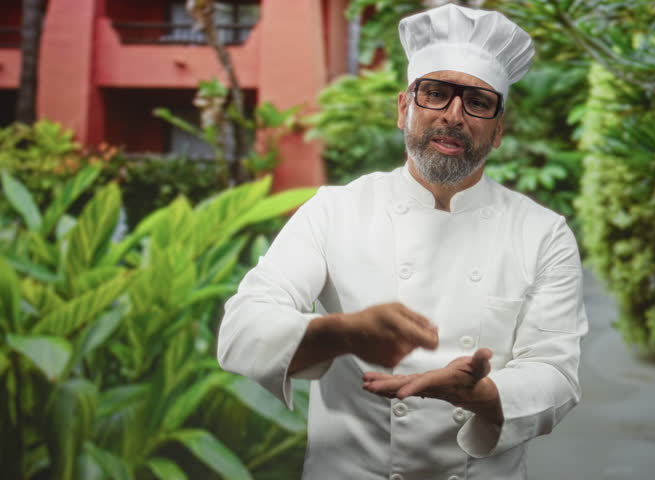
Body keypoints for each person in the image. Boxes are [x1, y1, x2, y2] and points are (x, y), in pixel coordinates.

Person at [217, 4, 589, 479]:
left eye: (477, 102)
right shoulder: (335, 211)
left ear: (498, 131)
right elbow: (242, 330)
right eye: (435, 93)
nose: (454, 115)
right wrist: (341, 332)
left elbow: (556, 373)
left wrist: (482, 394)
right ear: (403, 109)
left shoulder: (542, 232)